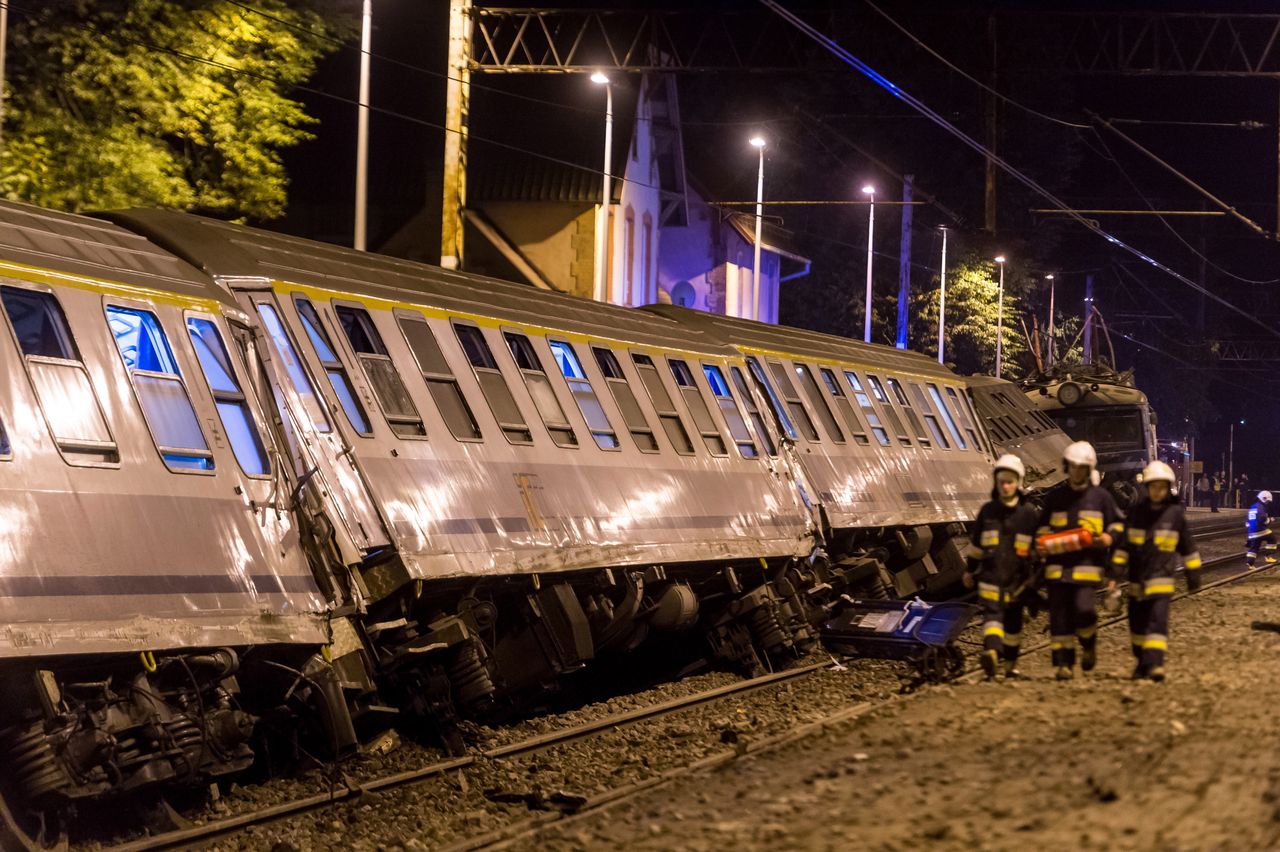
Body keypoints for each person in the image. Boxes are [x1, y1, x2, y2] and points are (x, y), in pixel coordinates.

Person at [1037, 441, 1124, 680]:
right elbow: (1042, 526)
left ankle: (1088, 644)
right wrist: (1042, 539)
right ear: (1067, 468)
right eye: (1073, 467)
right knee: (1059, 619)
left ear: (1089, 469)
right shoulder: (1055, 499)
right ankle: (1063, 665)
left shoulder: (1101, 498)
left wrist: (1108, 536)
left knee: (1085, 612)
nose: (1077, 472)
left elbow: (1117, 525)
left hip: (1087, 568)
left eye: (1082, 467)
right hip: (1057, 568)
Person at [1110, 461, 1202, 682]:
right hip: (1136, 584)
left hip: (1161, 582)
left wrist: (1193, 577)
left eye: (1162, 487)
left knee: (1157, 623)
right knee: (1137, 627)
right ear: (1147, 487)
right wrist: (1114, 575)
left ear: (1167, 488)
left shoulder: (1174, 516)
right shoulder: (1136, 514)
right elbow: (1123, 547)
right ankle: (1142, 663)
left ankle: (1156, 665)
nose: (1158, 491)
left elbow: (1188, 548)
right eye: (1154, 487)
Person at [963, 454, 1040, 680]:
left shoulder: (1028, 514)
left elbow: (1037, 550)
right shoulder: (988, 512)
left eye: (1010, 481)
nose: (1005, 486)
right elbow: (976, 545)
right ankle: (992, 653)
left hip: (1017, 579)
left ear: (1019, 483)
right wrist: (970, 569)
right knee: (993, 618)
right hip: (991, 576)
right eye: (1001, 482)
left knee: (1014, 624)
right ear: (996, 483)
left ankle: (1010, 666)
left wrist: (1035, 577)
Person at [1246, 490, 1276, 568]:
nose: (1268, 503)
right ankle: (1268, 556)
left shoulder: (1253, 506)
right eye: (1268, 501)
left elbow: (1247, 522)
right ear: (1264, 499)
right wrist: (1269, 520)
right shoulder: (1261, 507)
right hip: (1260, 530)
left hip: (1251, 532)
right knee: (1272, 538)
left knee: (1254, 547)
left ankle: (1250, 564)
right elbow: (1262, 518)